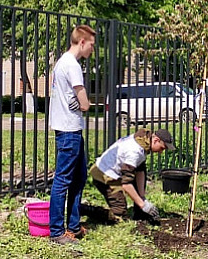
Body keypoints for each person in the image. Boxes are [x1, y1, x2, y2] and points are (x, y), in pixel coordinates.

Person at [48, 24, 96, 245]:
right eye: (92, 46)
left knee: (78, 177)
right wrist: (86, 104)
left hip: (69, 129)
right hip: (69, 131)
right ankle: (57, 231)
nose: (92, 51)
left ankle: (74, 226)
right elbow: (84, 102)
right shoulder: (72, 65)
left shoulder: (61, 63)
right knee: (63, 180)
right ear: (82, 42)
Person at [90, 128, 175, 222]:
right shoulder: (135, 152)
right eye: (162, 148)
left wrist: (142, 198)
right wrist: (143, 205)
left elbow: (140, 170)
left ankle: (139, 213)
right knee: (119, 214)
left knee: (138, 175)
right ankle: (87, 210)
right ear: (156, 140)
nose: (161, 152)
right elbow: (126, 184)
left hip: (115, 172)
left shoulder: (143, 141)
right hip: (104, 174)